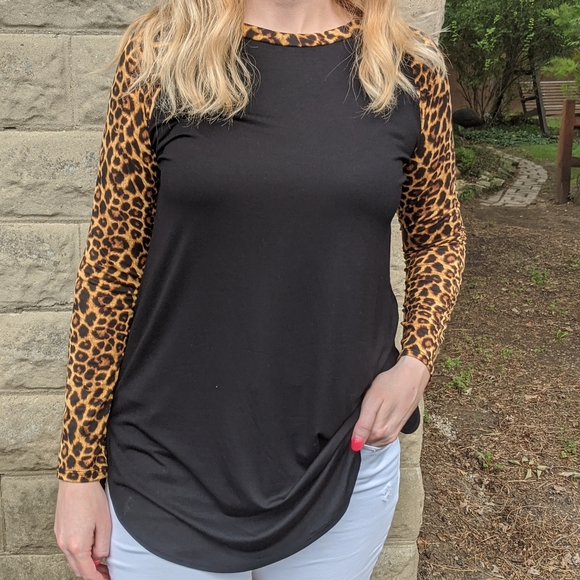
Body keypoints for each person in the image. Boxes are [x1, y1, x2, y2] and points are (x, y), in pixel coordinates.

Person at [54, 0, 466, 578]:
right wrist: (78, 471)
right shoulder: (164, 53)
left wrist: (416, 363)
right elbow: (110, 268)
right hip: (166, 464)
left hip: (340, 455)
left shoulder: (404, 67)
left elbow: (439, 236)